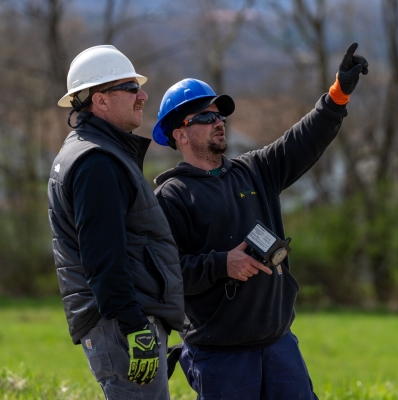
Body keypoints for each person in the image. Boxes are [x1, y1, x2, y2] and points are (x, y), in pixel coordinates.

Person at [152, 42, 368, 399]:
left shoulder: (255, 171)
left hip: (279, 344)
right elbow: (166, 276)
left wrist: (338, 94)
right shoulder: (171, 197)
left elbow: (303, 140)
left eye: (219, 115)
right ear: (180, 133)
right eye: (205, 118)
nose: (217, 122)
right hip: (220, 357)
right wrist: (224, 264)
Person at [47, 45, 184, 400]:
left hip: (118, 320)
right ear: (101, 100)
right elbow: (102, 256)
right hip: (120, 324)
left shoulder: (96, 152)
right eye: (130, 88)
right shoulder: (96, 163)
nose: (143, 95)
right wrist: (134, 325)